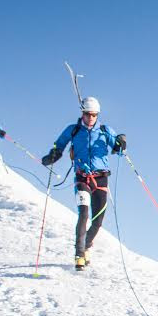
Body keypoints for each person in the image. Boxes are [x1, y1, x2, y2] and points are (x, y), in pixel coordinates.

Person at [41, 96, 127, 271]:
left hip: (101, 179)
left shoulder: (105, 130)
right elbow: (60, 146)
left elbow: (117, 149)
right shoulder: (73, 130)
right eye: (87, 114)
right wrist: (52, 156)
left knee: (97, 221)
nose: (90, 118)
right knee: (83, 214)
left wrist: (121, 142)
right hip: (82, 178)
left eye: (94, 115)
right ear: (82, 113)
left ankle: (86, 246)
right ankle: (79, 254)